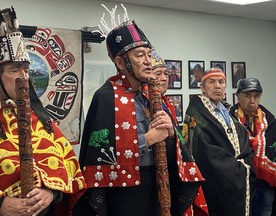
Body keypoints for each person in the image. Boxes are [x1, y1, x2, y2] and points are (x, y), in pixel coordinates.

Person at [73, 4, 198, 216]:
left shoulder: (152, 96)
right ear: (121, 63)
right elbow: (99, 155)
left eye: (149, 54)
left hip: (158, 185)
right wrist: (148, 139)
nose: (148, 62)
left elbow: (174, 149)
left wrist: (170, 135)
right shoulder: (105, 98)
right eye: (140, 55)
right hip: (123, 194)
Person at [0, 7, 86, 216]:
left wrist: (51, 192)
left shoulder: (38, 119)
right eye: (14, 70)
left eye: (26, 69)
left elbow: (68, 164)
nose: (24, 77)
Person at [182, 68, 256, 215]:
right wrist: (237, 167)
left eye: (221, 82)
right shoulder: (196, 114)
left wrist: (245, 164)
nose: (217, 86)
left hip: (236, 183)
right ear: (202, 88)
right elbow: (205, 153)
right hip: (214, 185)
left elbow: (243, 143)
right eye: (211, 82)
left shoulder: (228, 112)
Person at [150, 49, 208, 215]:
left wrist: (172, 136)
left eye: (166, 74)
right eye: (158, 73)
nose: (163, 78)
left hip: (172, 171)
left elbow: (177, 138)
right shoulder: (145, 103)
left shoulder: (167, 104)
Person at [230, 78, 276, 216]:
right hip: (241, 180)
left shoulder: (270, 119)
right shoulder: (230, 118)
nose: (252, 101)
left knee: (265, 212)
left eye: (256, 96)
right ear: (238, 96)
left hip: (264, 181)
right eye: (247, 96)